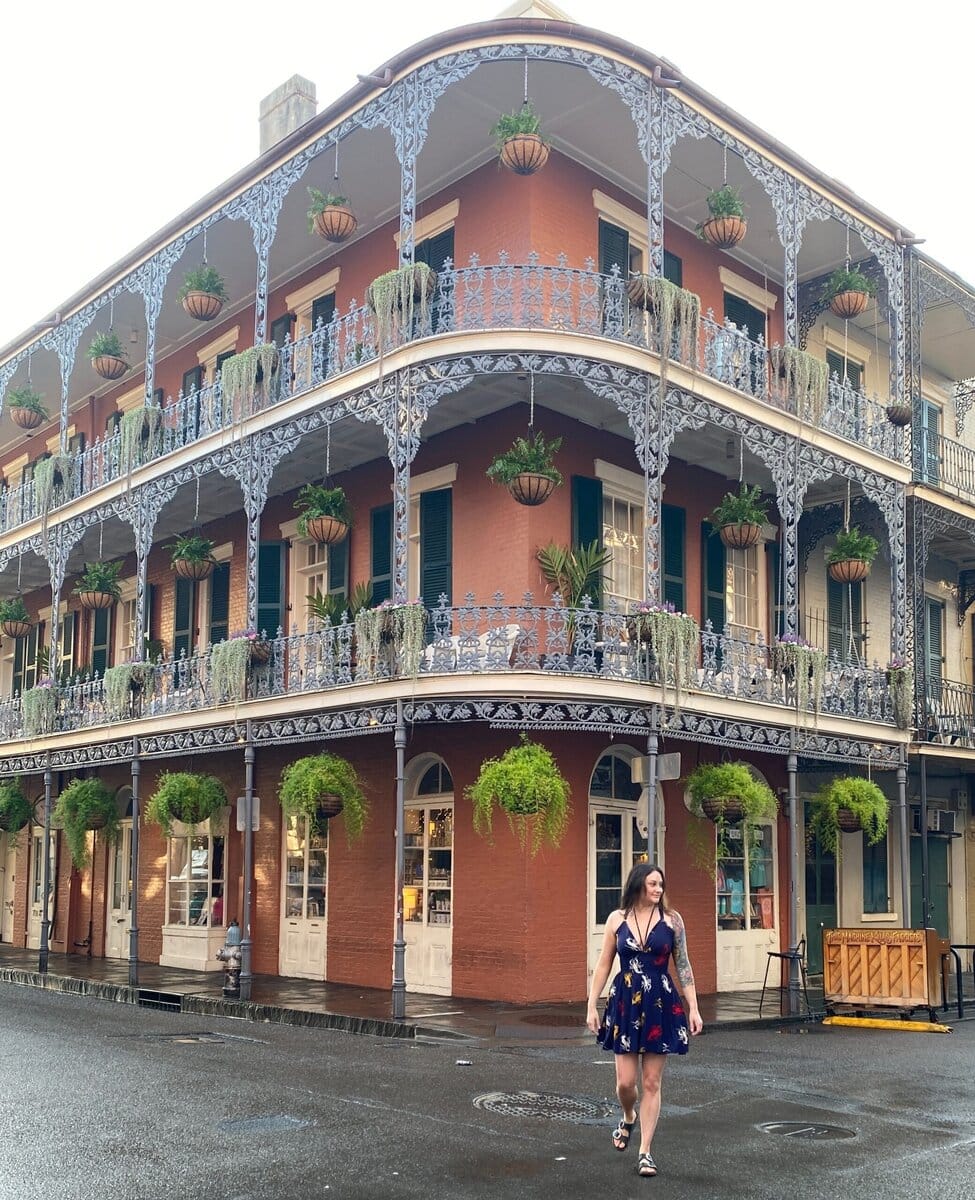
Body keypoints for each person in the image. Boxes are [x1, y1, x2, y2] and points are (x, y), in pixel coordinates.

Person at [586, 862, 703, 1178]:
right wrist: (591, 1005)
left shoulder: (673, 921)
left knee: (651, 1081)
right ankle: (628, 1116)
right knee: (626, 1083)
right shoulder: (617, 919)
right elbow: (602, 966)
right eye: (653, 884)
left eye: (661, 885)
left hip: (660, 1003)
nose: (658, 889)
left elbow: (684, 966)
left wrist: (693, 1007)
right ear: (638, 885)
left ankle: (645, 1152)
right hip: (625, 1003)